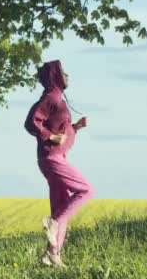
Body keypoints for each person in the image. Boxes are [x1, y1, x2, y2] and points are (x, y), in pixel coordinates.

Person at [24, 59, 96, 267]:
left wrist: (75, 127)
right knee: (86, 190)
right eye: (64, 72)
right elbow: (31, 122)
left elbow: (59, 129)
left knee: (61, 206)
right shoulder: (51, 97)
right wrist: (50, 136)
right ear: (55, 76)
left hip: (57, 157)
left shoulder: (57, 99)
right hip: (51, 158)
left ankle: (52, 255)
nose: (67, 76)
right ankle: (53, 223)